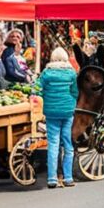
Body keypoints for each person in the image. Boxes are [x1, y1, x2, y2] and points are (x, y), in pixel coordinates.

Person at [39, 47, 78, 188]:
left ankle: (52, 179)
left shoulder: (46, 73)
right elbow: (75, 92)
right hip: (68, 112)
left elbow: (37, 88)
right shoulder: (71, 73)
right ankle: (68, 178)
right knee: (68, 145)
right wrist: (70, 102)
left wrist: (44, 97)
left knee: (53, 145)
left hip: (51, 113)